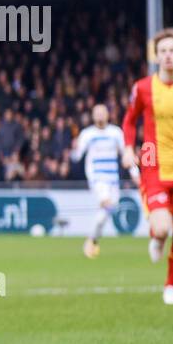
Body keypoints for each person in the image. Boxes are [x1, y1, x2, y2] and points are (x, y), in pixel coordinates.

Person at [121, 28, 173, 304]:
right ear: (156, 56)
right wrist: (129, 148)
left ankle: (171, 286)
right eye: (163, 51)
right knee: (164, 228)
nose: (168, 56)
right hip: (153, 163)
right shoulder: (143, 88)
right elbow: (129, 120)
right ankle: (156, 235)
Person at [70, 104, 133, 259]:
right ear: (92, 116)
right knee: (106, 204)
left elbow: (126, 154)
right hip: (97, 180)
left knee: (103, 216)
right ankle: (91, 240)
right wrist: (74, 148)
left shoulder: (115, 132)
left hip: (113, 181)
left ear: (107, 115)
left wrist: (135, 172)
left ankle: (92, 240)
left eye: (102, 113)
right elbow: (77, 156)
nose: (99, 115)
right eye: (96, 113)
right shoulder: (87, 134)